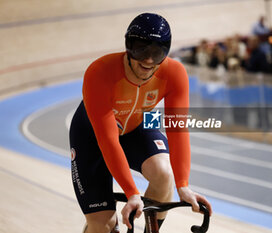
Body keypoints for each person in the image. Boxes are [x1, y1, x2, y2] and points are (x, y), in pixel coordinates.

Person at [69, 13, 212, 233]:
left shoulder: (174, 73)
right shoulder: (99, 72)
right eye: (141, 50)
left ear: (167, 52)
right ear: (128, 47)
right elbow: (108, 139)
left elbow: (178, 129)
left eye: (157, 53)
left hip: (139, 123)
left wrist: (183, 185)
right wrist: (132, 193)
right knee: (103, 226)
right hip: (92, 135)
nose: (148, 60)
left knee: (165, 175)